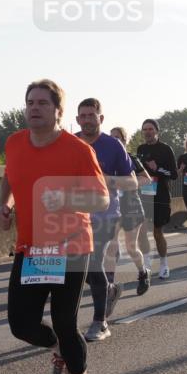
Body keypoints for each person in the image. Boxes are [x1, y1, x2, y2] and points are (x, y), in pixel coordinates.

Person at [0, 79, 109, 374]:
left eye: (42, 103)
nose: (34, 107)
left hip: (70, 245)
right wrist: (5, 204)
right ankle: (59, 348)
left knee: (65, 319)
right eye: (30, 102)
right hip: (31, 248)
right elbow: (9, 175)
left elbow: (101, 199)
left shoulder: (78, 150)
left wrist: (64, 198)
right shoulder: (15, 142)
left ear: (59, 112)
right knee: (21, 324)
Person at [75, 99, 136, 342]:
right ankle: (109, 289)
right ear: (78, 119)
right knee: (80, 270)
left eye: (92, 115)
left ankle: (100, 323)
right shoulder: (70, 143)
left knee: (93, 263)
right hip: (77, 216)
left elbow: (131, 182)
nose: (88, 119)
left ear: (101, 118)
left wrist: (104, 181)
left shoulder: (113, 146)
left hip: (106, 215)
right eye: (83, 116)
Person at [110, 127, 151, 296]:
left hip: (131, 207)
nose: (114, 141)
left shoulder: (131, 159)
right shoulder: (105, 159)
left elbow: (146, 179)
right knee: (110, 246)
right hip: (112, 208)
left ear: (125, 141)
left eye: (118, 138)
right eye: (111, 138)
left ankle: (143, 272)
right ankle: (109, 285)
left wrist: (127, 184)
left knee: (131, 247)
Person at [137, 119, 178, 279]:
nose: (147, 132)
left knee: (157, 232)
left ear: (156, 131)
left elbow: (174, 174)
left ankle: (164, 264)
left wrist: (157, 169)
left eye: (150, 129)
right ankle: (146, 265)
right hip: (144, 195)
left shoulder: (166, 149)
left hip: (160, 196)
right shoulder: (141, 149)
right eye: (144, 129)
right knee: (141, 231)